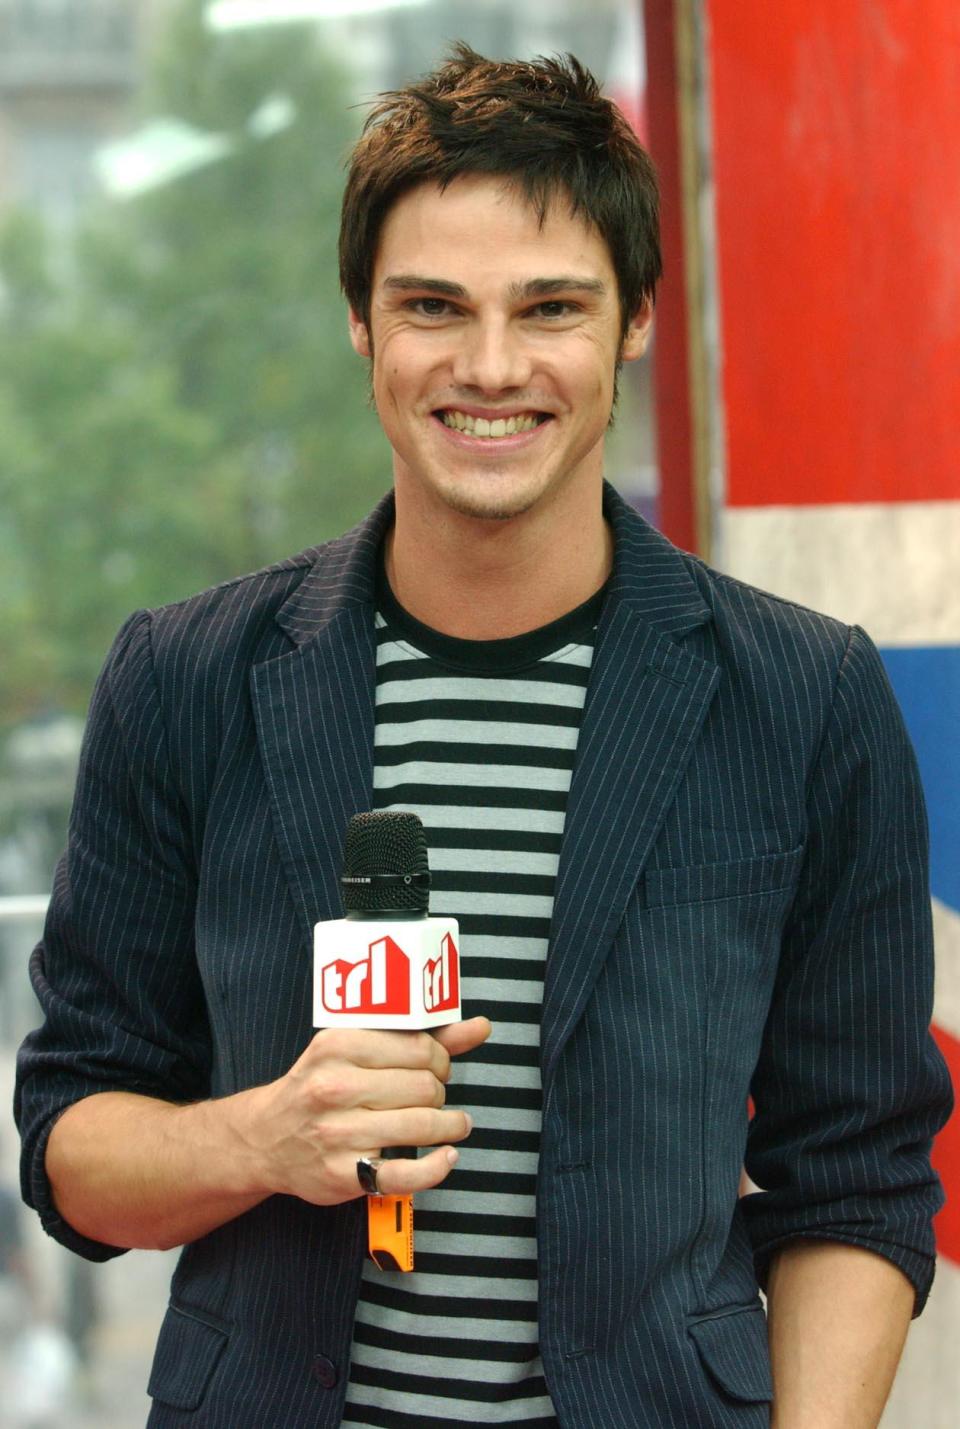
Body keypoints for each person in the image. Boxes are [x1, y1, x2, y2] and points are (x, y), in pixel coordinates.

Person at [15, 43, 952, 1429]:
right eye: (434, 306)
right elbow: (72, 1147)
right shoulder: (188, 678)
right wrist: (263, 1136)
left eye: (552, 307)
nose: (492, 366)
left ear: (636, 319)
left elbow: (859, 1171)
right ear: (361, 324)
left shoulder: (802, 698)